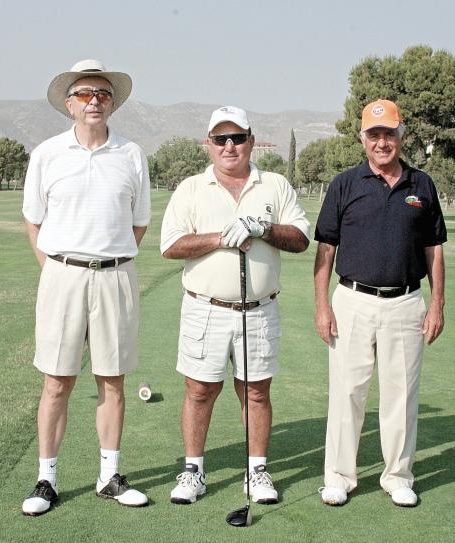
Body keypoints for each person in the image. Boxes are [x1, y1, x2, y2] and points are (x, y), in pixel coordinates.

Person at [160, 106, 310, 505]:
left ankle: (257, 470)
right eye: (221, 139)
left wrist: (261, 227)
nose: (230, 146)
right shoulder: (191, 188)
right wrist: (221, 237)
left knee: (256, 393)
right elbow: (171, 245)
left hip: (259, 309)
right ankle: (193, 470)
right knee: (199, 391)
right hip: (205, 308)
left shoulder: (275, 184)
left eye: (238, 138)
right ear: (208, 144)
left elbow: (299, 238)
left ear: (251, 140)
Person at [21, 59, 151, 515]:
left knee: (112, 381)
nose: (94, 100)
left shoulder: (132, 154)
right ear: (68, 104)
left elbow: (138, 224)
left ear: (112, 104)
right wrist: (58, 268)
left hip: (116, 275)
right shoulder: (47, 154)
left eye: (102, 94)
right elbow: (33, 221)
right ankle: (46, 480)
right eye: (85, 94)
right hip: (63, 275)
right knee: (57, 382)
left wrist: (105, 259)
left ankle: (109, 477)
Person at [314, 99, 446, 507]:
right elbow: (326, 250)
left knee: (400, 393)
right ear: (362, 139)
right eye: (375, 135)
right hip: (352, 300)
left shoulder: (421, 185)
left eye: (389, 133)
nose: (382, 142)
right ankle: (339, 476)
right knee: (347, 393)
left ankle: (398, 476)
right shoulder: (344, 184)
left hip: (406, 302)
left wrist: (437, 303)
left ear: (401, 136)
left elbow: (434, 249)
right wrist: (322, 305)